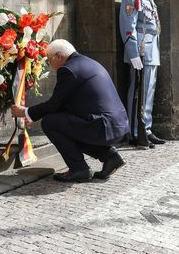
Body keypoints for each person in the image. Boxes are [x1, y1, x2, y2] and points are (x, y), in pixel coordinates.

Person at [10, 40, 130, 183]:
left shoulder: (68, 69)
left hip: (102, 126)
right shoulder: (88, 63)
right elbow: (65, 104)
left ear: (58, 56)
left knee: (50, 123)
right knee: (62, 125)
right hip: (117, 125)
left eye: (49, 60)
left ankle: (79, 169)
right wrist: (38, 115)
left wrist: (26, 112)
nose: (51, 66)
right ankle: (110, 158)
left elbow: (55, 104)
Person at [118, 0, 166, 148]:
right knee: (139, 90)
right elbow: (128, 26)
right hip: (141, 49)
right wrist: (133, 53)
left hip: (151, 47)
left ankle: (146, 128)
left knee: (149, 91)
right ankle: (135, 131)